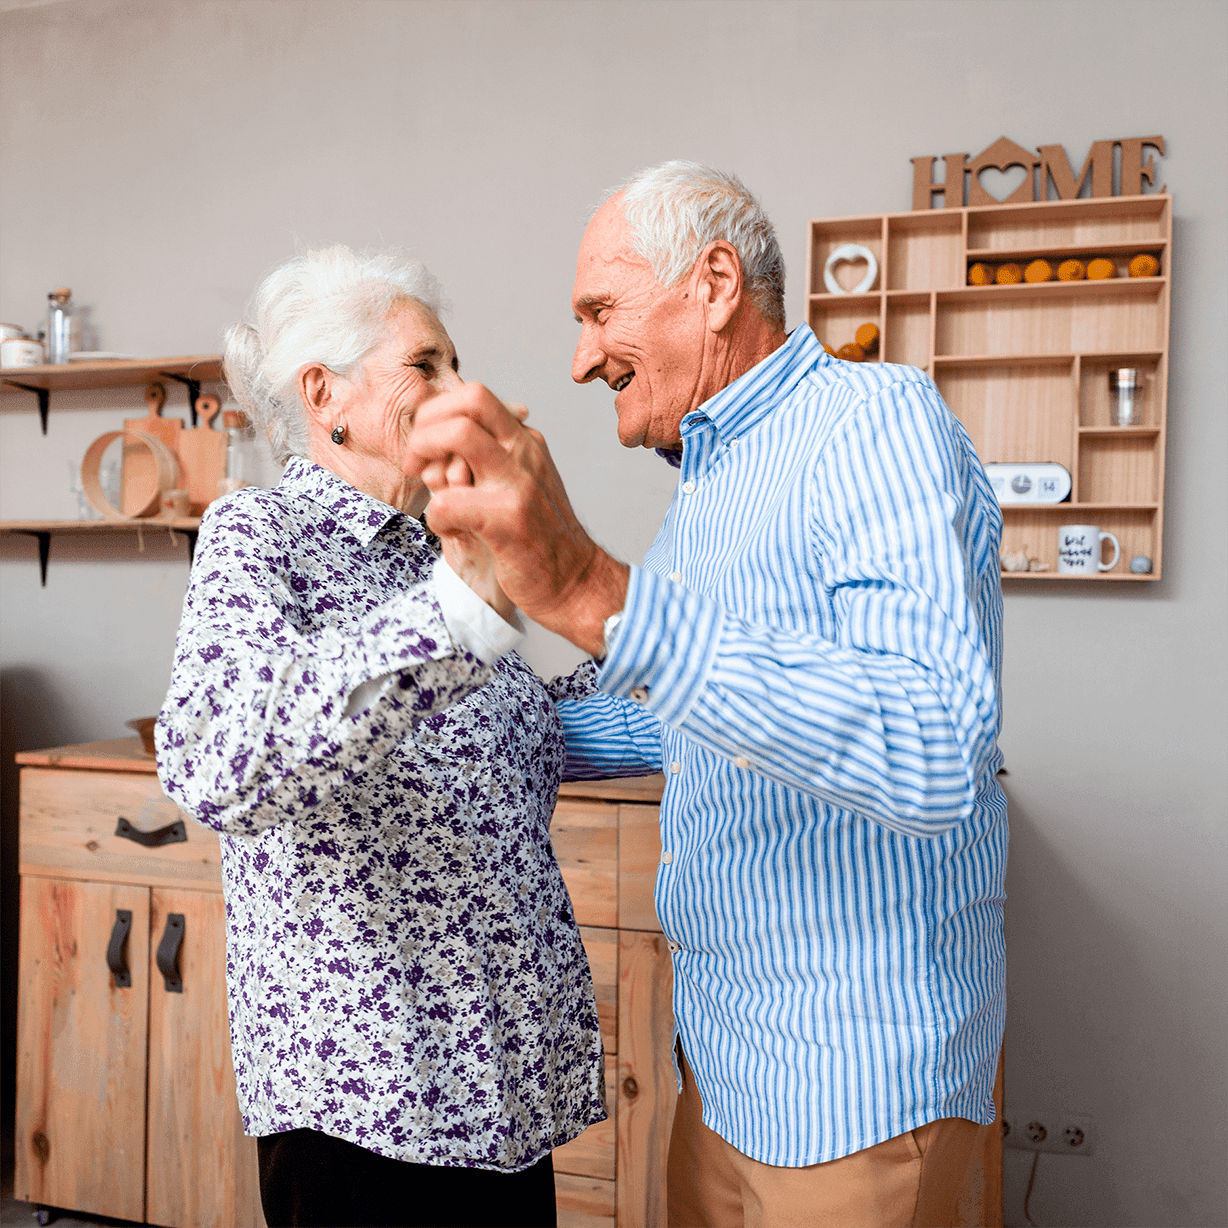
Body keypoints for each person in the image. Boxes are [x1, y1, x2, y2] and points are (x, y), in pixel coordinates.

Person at [407, 162, 1007, 1228]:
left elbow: (929, 750)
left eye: (600, 311)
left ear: (715, 282)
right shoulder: (708, 488)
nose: (582, 356)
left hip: (858, 1091)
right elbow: (680, 704)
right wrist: (484, 730)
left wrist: (591, 588)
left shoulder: (872, 423)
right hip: (723, 1073)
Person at [154, 245, 606, 1228]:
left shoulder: (443, 548)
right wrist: (453, 609)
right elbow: (210, 760)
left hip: (499, 1095)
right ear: (327, 397)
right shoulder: (259, 535)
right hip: (368, 1103)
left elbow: (516, 747)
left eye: (455, 363)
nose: (458, 388)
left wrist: (663, 633)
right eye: (427, 364)